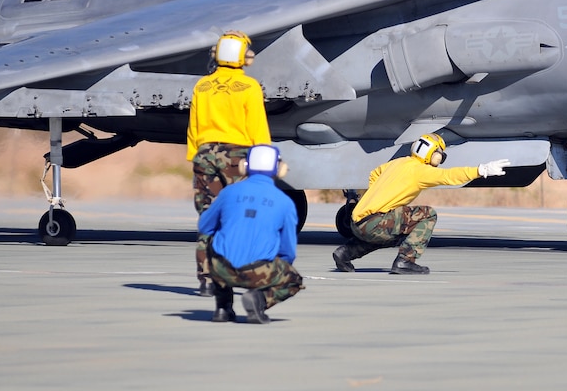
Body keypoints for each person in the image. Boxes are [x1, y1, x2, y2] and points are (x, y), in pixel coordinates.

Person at [332, 133, 510, 275]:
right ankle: (405, 261)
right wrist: (481, 170)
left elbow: (374, 173)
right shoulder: (420, 171)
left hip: (358, 223)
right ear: (431, 153)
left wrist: (379, 196)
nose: (441, 158)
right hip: (374, 223)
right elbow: (449, 176)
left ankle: (345, 253)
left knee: (393, 231)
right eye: (440, 153)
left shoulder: (398, 163)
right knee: (428, 214)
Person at [186, 31, 272, 296]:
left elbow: (193, 127)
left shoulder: (201, 86)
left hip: (204, 154)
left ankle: (206, 279)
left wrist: (196, 157)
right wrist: (265, 167)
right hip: (237, 158)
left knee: (209, 217)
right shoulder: (249, 87)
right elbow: (259, 129)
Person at [198, 144, 304, 324]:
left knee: (210, 241)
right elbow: (288, 251)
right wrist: (276, 269)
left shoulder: (228, 192)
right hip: (258, 272)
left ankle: (223, 307)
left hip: (221, 268)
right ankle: (259, 301)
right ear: (279, 169)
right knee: (294, 280)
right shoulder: (285, 202)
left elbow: (204, 226)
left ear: (244, 166)